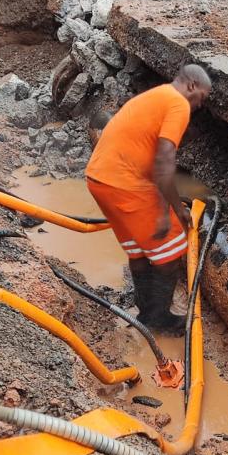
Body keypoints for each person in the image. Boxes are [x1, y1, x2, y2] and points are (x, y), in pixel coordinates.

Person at [85, 65, 212, 334]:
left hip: (99, 179)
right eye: (202, 95)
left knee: (139, 251)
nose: (202, 103)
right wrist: (172, 211)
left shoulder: (158, 96)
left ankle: (144, 313)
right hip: (125, 182)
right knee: (169, 255)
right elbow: (164, 161)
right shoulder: (178, 104)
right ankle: (159, 320)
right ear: (191, 85)